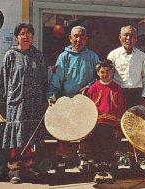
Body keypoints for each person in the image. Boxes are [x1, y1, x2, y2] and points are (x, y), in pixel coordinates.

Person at [0, 23, 48, 184]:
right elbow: (3, 80)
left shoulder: (37, 56)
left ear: (32, 36)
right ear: (17, 37)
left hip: (34, 104)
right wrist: (3, 102)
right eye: (22, 33)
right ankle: (14, 170)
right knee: (14, 138)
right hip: (15, 103)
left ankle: (28, 167)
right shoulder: (11, 55)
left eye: (29, 33)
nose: (26, 36)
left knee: (29, 137)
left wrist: (44, 99)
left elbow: (43, 79)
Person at [47, 26, 99, 174]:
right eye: (75, 36)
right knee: (63, 133)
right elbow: (56, 79)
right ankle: (61, 162)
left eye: (82, 37)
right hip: (67, 102)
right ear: (70, 38)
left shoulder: (93, 57)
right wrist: (52, 95)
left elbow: (99, 78)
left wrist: (89, 87)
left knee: (86, 133)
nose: (78, 40)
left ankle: (85, 161)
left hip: (86, 102)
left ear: (86, 39)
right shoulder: (64, 56)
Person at [107, 25, 145, 171]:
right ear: (120, 38)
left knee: (135, 130)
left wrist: (143, 97)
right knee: (116, 129)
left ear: (136, 39)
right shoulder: (112, 55)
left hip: (136, 96)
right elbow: (107, 78)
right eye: (125, 35)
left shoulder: (142, 56)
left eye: (132, 36)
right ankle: (113, 162)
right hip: (118, 96)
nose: (128, 38)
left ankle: (134, 162)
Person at [78, 59, 126, 183]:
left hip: (112, 125)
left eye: (108, 72)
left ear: (113, 72)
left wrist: (118, 127)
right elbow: (88, 109)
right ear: (98, 73)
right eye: (102, 72)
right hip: (97, 124)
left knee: (110, 145)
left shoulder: (117, 88)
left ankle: (109, 171)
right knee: (96, 145)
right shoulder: (93, 88)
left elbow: (120, 108)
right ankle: (99, 171)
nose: (105, 74)